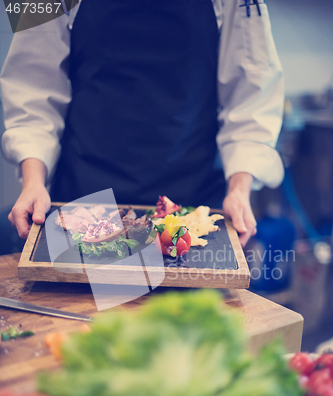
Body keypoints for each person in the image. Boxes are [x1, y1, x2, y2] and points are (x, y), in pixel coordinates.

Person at [0, 0, 284, 247]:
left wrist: (239, 190)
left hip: (190, 206)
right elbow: (32, 86)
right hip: (82, 200)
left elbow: (252, 94)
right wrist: (33, 182)